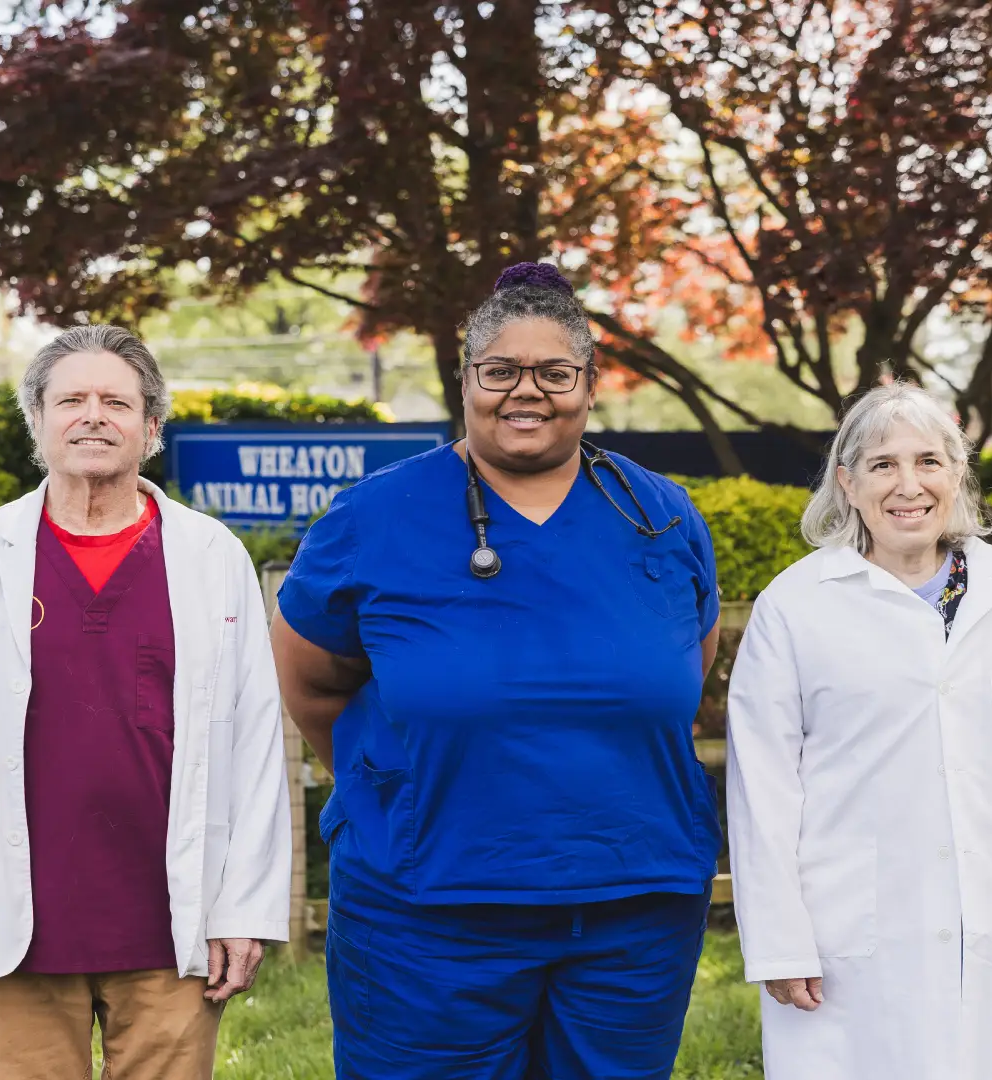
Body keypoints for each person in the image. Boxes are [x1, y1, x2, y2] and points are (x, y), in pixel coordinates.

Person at [271, 262, 723, 1080]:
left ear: (590, 386)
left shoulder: (661, 516)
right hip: (427, 911)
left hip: (635, 908)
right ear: (466, 379)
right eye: (500, 371)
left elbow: (686, 670)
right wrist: (401, 788)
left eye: (555, 372)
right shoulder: (375, 517)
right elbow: (311, 682)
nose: (527, 392)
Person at [0, 325, 291, 1080]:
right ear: (37, 420)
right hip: (9, 927)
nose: (93, 415)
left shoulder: (209, 555)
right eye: (71, 399)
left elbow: (256, 741)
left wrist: (244, 910)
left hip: (170, 925)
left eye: (116, 402)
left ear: (151, 426)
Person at [725, 382, 992, 1080]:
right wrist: (780, 944)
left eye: (929, 461)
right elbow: (764, 791)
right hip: (849, 935)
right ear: (846, 482)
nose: (910, 485)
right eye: (882, 465)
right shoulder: (796, 607)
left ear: (957, 473)